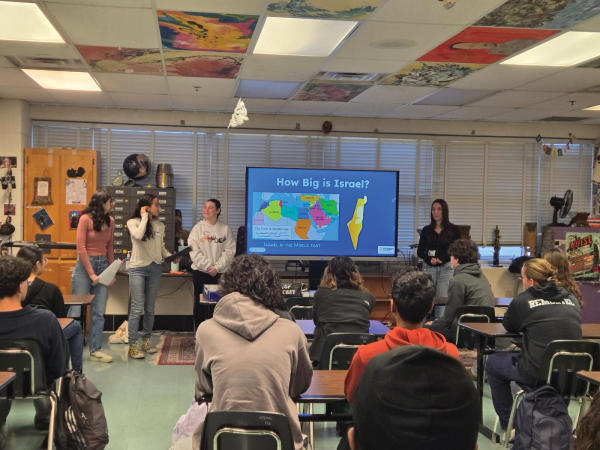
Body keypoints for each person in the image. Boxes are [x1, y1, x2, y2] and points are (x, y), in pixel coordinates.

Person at [192, 254, 312, 450]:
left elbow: (205, 386)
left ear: (227, 285)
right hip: (282, 442)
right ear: (271, 287)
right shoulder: (292, 332)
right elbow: (300, 385)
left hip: (221, 442)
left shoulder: (205, 331)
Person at [485, 259, 581, 437]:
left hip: (537, 372)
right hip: (572, 374)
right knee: (557, 374)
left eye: (522, 278)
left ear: (531, 281)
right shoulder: (571, 298)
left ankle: (509, 425)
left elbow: (509, 324)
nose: (522, 282)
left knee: (492, 362)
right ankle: (558, 418)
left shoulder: (523, 300)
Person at [344, 268, 459, 404]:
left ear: (392, 306)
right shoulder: (451, 353)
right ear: (431, 307)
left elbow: (352, 397)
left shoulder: (365, 356)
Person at [340, 346, 479, 450]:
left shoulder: (365, 354)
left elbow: (350, 394)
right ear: (475, 447)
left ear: (353, 444)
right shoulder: (451, 350)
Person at [0, 256, 69, 449]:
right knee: (46, 382)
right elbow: (59, 366)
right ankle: (46, 418)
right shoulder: (45, 320)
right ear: (21, 286)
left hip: (0, 386)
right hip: (35, 386)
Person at [17, 246, 83, 373]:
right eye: (44, 260)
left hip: (16, 336)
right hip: (43, 337)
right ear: (37, 264)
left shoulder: (9, 287)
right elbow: (61, 319)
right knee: (75, 327)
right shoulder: (50, 289)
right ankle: (76, 374)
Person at [127, 194, 176, 359]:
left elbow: (160, 249)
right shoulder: (133, 222)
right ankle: (132, 345)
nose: (159, 208)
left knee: (149, 307)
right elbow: (139, 236)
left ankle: (146, 341)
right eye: (156, 205)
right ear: (146, 207)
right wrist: (144, 217)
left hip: (155, 268)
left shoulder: (160, 226)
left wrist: (171, 256)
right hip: (137, 269)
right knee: (136, 308)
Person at [70, 190, 115, 363]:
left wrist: (110, 272)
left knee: (98, 312)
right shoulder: (84, 219)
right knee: (75, 310)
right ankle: (71, 348)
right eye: (110, 201)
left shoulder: (110, 220)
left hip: (103, 265)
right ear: (101, 203)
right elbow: (81, 249)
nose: (113, 204)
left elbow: (109, 248)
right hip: (84, 267)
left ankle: (96, 350)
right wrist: (91, 274)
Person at [425, 238, 495, 342]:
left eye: (451, 257)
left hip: (464, 333)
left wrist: (432, 323)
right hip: (482, 332)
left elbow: (448, 319)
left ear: (457, 259)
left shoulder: (457, 280)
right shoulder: (482, 277)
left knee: (424, 329)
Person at [309, 256, 376, 363]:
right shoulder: (369, 297)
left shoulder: (320, 294)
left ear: (328, 273)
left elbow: (316, 321)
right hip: (359, 355)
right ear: (355, 273)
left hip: (327, 355)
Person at [188, 199, 235, 329]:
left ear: (218, 210)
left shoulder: (225, 229)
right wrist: (208, 267)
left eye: (210, 207)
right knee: (200, 305)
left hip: (219, 274)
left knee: (218, 305)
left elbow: (229, 251)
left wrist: (217, 267)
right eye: (205, 207)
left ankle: (218, 333)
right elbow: (193, 250)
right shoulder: (197, 229)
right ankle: (199, 334)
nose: (206, 210)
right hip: (201, 273)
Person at [417, 199, 461, 297]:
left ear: (444, 211)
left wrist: (443, 258)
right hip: (429, 267)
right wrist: (429, 259)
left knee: (442, 300)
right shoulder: (426, 230)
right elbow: (420, 252)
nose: (435, 212)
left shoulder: (453, 229)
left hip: (446, 268)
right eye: (433, 209)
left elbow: (457, 250)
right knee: (427, 299)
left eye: (439, 209)